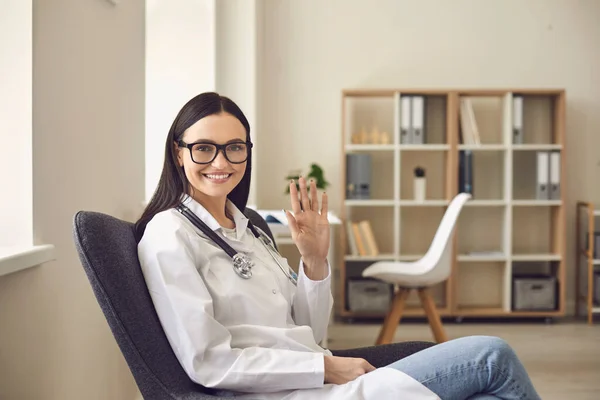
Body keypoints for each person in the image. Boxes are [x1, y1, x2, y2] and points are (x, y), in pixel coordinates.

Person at [135, 92, 542, 400]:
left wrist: (313, 260)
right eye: (204, 148)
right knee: (491, 355)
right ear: (178, 151)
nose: (221, 163)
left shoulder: (249, 230)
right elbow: (207, 362)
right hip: (285, 392)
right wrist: (325, 368)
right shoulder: (169, 235)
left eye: (235, 148)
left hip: (312, 380)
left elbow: (309, 332)